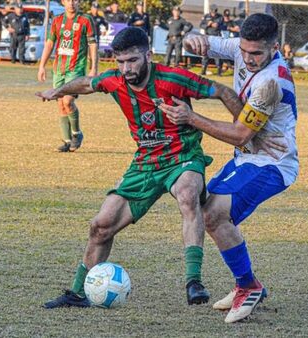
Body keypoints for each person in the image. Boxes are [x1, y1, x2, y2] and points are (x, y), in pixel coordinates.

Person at [37, 27, 245, 309]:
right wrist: (57, 90)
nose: (126, 68)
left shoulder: (173, 79)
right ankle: (77, 293)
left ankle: (193, 281)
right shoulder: (114, 80)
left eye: (133, 60)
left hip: (183, 154)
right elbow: (86, 83)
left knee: (187, 194)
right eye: (120, 62)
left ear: (148, 55)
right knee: (100, 226)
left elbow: (222, 90)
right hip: (146, 161)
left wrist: (246, 130)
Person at [178, 13, 298, 323]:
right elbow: (207, 44)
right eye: (244, 51)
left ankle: (249, 286)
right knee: (209, 213)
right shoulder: (242, 48)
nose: (248, 58)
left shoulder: (272, 81)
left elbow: (241, 134)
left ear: (275, 47)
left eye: (256, 53)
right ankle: (245, 282)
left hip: (272, 163)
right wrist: (193, 36)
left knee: (215, 216)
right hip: (247, 158)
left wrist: (191, 118)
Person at [38, 0, 98, 153]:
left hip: (76, 68)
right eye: (68, 0)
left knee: (68, 101)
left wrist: (93, 68)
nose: (71, 3)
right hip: (59, 68)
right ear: (63, 2)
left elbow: (93, 45)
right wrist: (42, 66)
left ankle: (77, 133)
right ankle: (66, 140)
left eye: (75, 0)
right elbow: (50, 44)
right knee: (60, 104)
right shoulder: (57, 20)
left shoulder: (85, 20)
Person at [199, 4, 223, 76]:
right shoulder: (206, 16)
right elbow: (201, 25)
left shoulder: (220, 17)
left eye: (215, 11)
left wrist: (214, 24)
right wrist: (208, 24)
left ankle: (219, 72)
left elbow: (220, 25)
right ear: (210, 10)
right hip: (208, 38)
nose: (214, 12)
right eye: (213, 11)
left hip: (216, 38)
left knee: (217, 55)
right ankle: (203, 71)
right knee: (205, 54)